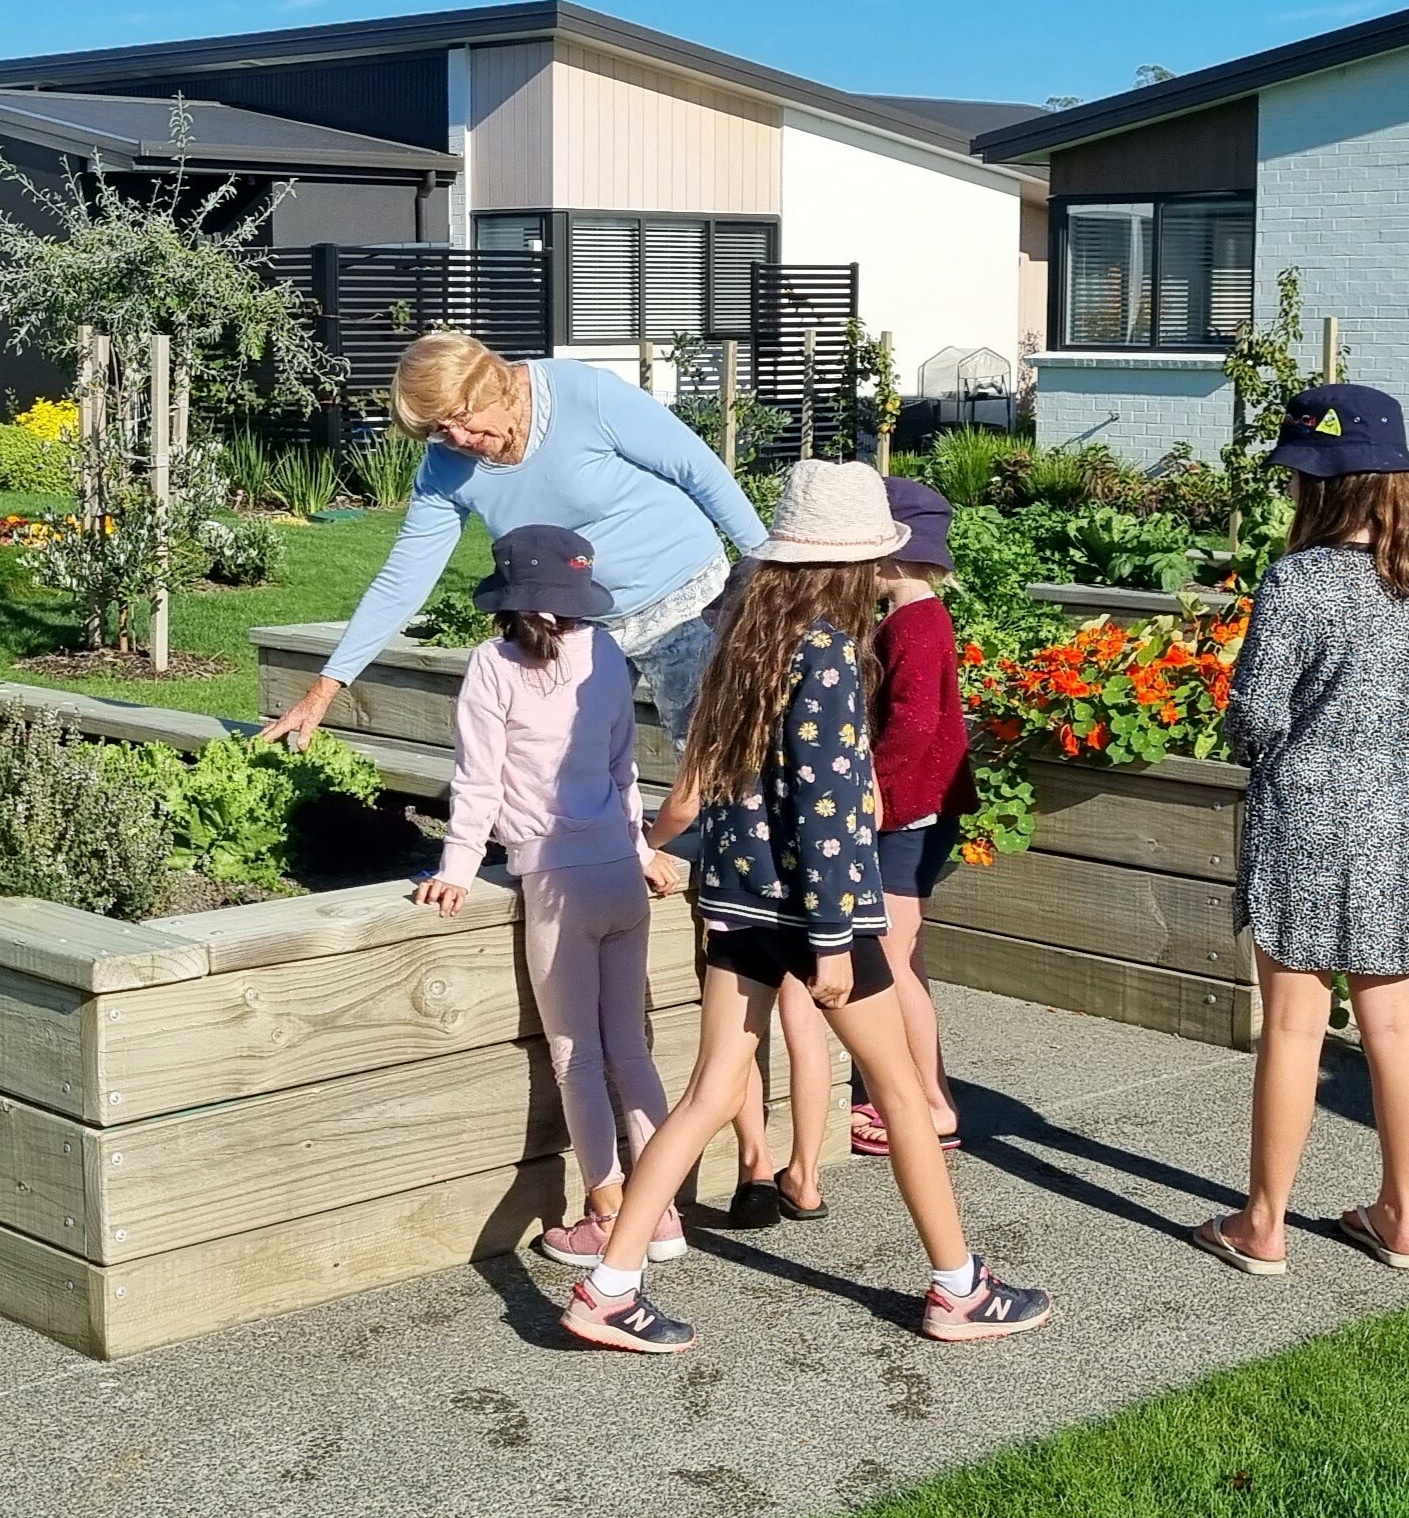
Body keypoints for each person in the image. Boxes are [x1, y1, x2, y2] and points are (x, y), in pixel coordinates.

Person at [561, 461, 1055, 1354]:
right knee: (903, 1092)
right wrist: (834, 942)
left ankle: (609, 1284)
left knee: (710, 1091)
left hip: (736, 900)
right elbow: (827, 811)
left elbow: (717, 784)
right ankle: (957, 1287)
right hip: (813, 912)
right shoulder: (828, 651)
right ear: (857, 561)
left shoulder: (740, 638)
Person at [1193, 385, 1409, 1279]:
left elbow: (1257, 716)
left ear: (1326, 487)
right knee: (1392, 1025)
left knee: (1293, 1030)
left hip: (1303, 820)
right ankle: (1403, 1217)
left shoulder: (1299, 581)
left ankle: (1262, 1226)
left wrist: (1269, 740)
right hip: (1394, 821)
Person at [258, 332, 766, 756]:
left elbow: (698, 471)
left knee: (712, 753)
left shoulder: (584, 394)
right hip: (574, 623)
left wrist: (770, 573)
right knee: (558, 759)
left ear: (492, 382)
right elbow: (404, 577)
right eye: (438, 431)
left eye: (462, 416)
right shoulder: (445, 469)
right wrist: (327, 686)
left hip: (685, 600)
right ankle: (608, 861)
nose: (458, 438)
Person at [410, 525, 679, 1268]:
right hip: (621, 877)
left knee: (574, 1056)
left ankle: (604, 1205)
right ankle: (661, 1214)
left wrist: (459, 869)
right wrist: (641, 850)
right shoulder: (607, 655)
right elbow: (625, 768)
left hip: (554, 877)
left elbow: (478, 777)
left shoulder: (493, 664)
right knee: (632, 1044)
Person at [853, 477, 975, 1157]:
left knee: (890, 960)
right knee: (906, 957)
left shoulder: (914, 623)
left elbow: (911, 725)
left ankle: (923, 1103)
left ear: (889, 553)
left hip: (905, 814)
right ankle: (925, 1093)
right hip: (915, 810)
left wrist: (867, 797)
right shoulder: (911, 618)